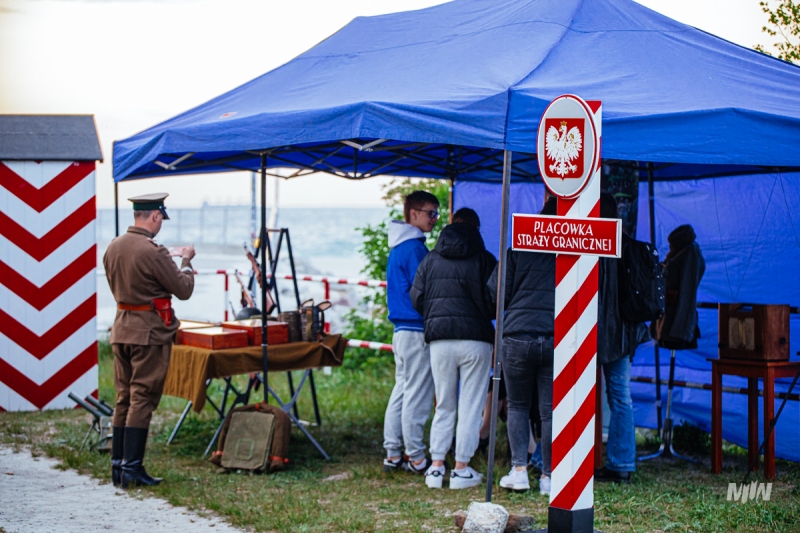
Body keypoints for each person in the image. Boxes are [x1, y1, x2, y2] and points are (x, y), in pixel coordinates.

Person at [104, 193, 195, 488]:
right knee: (142, 398)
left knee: (124, 397)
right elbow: (183, 289)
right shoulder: (153, 252)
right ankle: (132, 469)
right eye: (160, 219)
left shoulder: (113, 247)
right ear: (155, 216)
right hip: (148, 334)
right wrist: (185, 261)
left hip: (121, 329)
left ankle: (118, 467)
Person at [410, 207, 497, 489]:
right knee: (471, 405)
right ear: (477, 228)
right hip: (476, 339)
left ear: (451, 224)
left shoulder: (431, 259)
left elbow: (417, 298)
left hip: (440, 340)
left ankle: (436, 468)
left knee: (444, 403)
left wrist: (437, 315)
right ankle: (461, 469)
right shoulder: (485, 259)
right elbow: (496, 298)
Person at [487, 196, 557, 495]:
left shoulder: (519, 247)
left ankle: (518, 471)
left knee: (516, 405)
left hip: (516, 335)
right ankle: (549, 478)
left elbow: (496, 292)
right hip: (556, 336)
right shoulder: (574, 248)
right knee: (550, 411)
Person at [383, 190, 440, 474]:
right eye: (431, 213)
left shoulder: (397, 247)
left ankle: (393, 452)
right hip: (417, 328)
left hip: (400, 329)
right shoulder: (416, 248)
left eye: (436, 214)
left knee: (402, 390)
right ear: (413, 214)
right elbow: (425, 291)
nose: (435, 219)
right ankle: (416, 456)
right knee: (417, 393)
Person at [595, 192, 648, 484]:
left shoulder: (595, 241)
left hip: (598, 330)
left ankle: (547, 460)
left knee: (569, 392)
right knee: (621, 397)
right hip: (625, 334)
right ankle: (622, 463)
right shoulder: (627, 243)